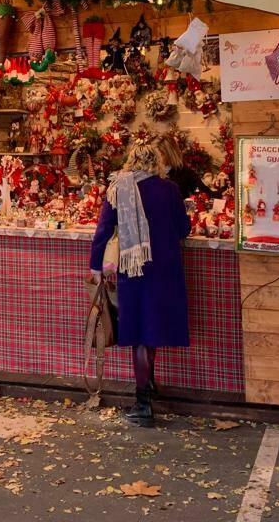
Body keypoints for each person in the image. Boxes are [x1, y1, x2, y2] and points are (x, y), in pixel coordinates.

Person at [89, 143, 192, 427]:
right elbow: (184, 228)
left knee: (139, 332)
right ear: (156, 162)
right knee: (152, 329)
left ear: (131, 160)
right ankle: (148, 385)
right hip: (165, 267)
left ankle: (143, 403)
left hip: (133, 269)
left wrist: (96, 266)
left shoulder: (118, 188)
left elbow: (103, 230)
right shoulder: (169, 189)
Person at [158, 133, 213, 199]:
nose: (158, 157)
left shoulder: (184, 171)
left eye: (161, 154)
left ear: (170, 154)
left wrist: (222, 193)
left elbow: (203, 191)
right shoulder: (153, 173)